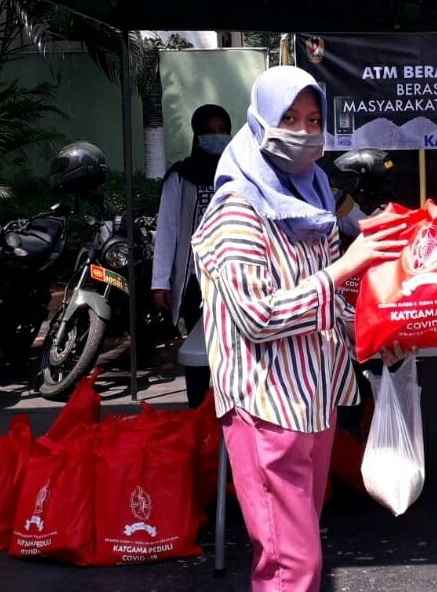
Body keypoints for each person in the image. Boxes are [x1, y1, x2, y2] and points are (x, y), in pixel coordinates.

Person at [190, 66, 407, 592]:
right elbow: (258, 316)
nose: (305, 132)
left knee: (299, 547)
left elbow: (326, 303)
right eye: (289, 119)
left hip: (315, 398)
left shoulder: (312, 198)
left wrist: (372, 334)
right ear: (260, 121)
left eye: (313, 121)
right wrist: (345, 268)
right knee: (292, 565)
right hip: (267, 405)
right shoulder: (236, 211)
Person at [152, 103, 232, 407]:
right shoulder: (181, 177)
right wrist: (161, 281)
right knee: (198, 352)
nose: (217, 137)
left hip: (235, 277)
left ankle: (229, 411)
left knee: (232, 351)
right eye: (209, 132)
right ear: (197, 136)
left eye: (222, 130)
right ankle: (198, 411)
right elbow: (168, 229)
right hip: (195, 279)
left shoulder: (240, 171)